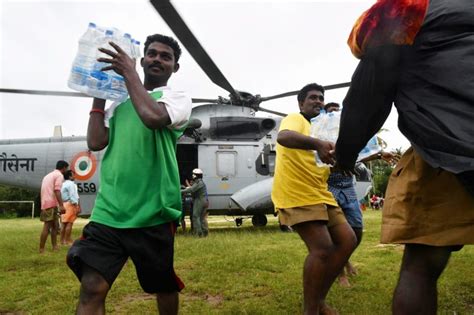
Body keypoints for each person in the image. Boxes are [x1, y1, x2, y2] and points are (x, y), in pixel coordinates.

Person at [335, 1, 474, 313]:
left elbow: (370, 92)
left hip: (448, 150)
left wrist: (344, 157)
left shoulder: (407, 9)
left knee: (421, 266)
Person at [67, 34, 192, 315]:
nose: (158, 59)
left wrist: (129, 74)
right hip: (109, 210)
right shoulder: (119, 105)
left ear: (175, 67)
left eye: (165, 56)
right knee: (92, 287)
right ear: (143, 58)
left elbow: (153, 118)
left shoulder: (176, 98)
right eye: (152, 53)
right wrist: (99, 95)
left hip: (153, 212)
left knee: (162, 285)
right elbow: (96, 142)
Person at [271, 83, 357, 314]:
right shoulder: (296, 119)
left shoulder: (325, 130)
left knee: (348, 241)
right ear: (301, 103)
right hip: (296, 193)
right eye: (312, 98)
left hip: (321, 193)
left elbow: (329, 161)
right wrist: (318, 144)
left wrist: (344, 163)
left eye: (321, 98)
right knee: (322, 249)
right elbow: (284, 137)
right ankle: (312, 310)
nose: (318, 101)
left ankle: (318, 301)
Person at [324, 102, 398, 287]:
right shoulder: (321, 137)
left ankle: (344, 259)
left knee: (356, 230)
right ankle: (340, 274)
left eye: (337, 111)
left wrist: (380, 155)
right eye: (331, 111)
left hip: (348, 188)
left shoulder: (346, 136)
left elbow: (358, 155)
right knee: (336, 232)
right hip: (329, 188)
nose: (335, 114)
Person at [39, 160, 68, 253]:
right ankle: (41, 249)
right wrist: (61, 205)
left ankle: (55, 247)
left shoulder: (48, 175)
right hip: (51, 203)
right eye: (66, 168)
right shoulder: (59, 175)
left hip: (46, 202)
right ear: (63, 168)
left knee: (55, 226)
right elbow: (57, 190)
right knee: (47, 226)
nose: (66, 170)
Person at [181, 168, 208, 237]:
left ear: (195, 175)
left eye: (193, 174)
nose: (192, 176)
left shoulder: (199, 183)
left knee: (196, 216)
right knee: (202, 218)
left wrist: (180, 191)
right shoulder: (199, 182)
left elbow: (192, 189)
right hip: (203, 200)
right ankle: (204, 233)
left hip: (199, 200)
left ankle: (198, 233)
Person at [60, 170, 81, 246]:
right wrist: (76, 206)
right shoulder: (71, 184)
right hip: (70, 204)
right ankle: (67, 240)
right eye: (73, 175)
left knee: (63, 224)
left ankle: (62, 240)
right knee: (69, 223)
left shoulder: (63, 184)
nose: (74, 176)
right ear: (69, 176)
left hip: (64, 204)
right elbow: (73, 196)